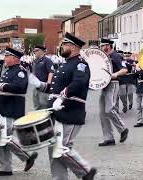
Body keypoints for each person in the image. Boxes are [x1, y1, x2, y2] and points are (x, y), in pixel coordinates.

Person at [48, 32, 96, 180]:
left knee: (62, 148)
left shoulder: (80, 64)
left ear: (74, 47)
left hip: (71, 111)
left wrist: (62, 97)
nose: (62, 47)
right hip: (59, 112)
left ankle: (85, 171)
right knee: (54, 148)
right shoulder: (66, 64)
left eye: (65, 44)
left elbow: (79, 82)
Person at [0, 47, 38, 177]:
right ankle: (5, 167)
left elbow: (20, 88)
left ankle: (27, 156)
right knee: (0, 139)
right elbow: (0, 89)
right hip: (1, 107)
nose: (4, 58)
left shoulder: (20, 71)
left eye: (7, 56)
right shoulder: (8, 71)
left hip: (10, 109)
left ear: (15, 59)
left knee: (5, 138)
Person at [98, 38, 129, 147]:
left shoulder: (116, 56)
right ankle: (109, 138)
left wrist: (115, 74)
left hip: (113, 84)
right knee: (102, 113)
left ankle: (123, 129)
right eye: (101, 46)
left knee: (109, 109)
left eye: (103, 46)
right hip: (104, 85)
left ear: (109, 46)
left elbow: (125, 70)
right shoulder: (103, 57)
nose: (101, 48)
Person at [29, 45, 54, 110]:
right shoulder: (35, 61)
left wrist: (48, 85)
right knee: (36, 105)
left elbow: (51, 72)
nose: (35, 52)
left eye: (36, 51)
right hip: (36, 87)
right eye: (34, 51)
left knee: (44, 106)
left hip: (44, 87)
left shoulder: (47, 60)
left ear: (42, 51)